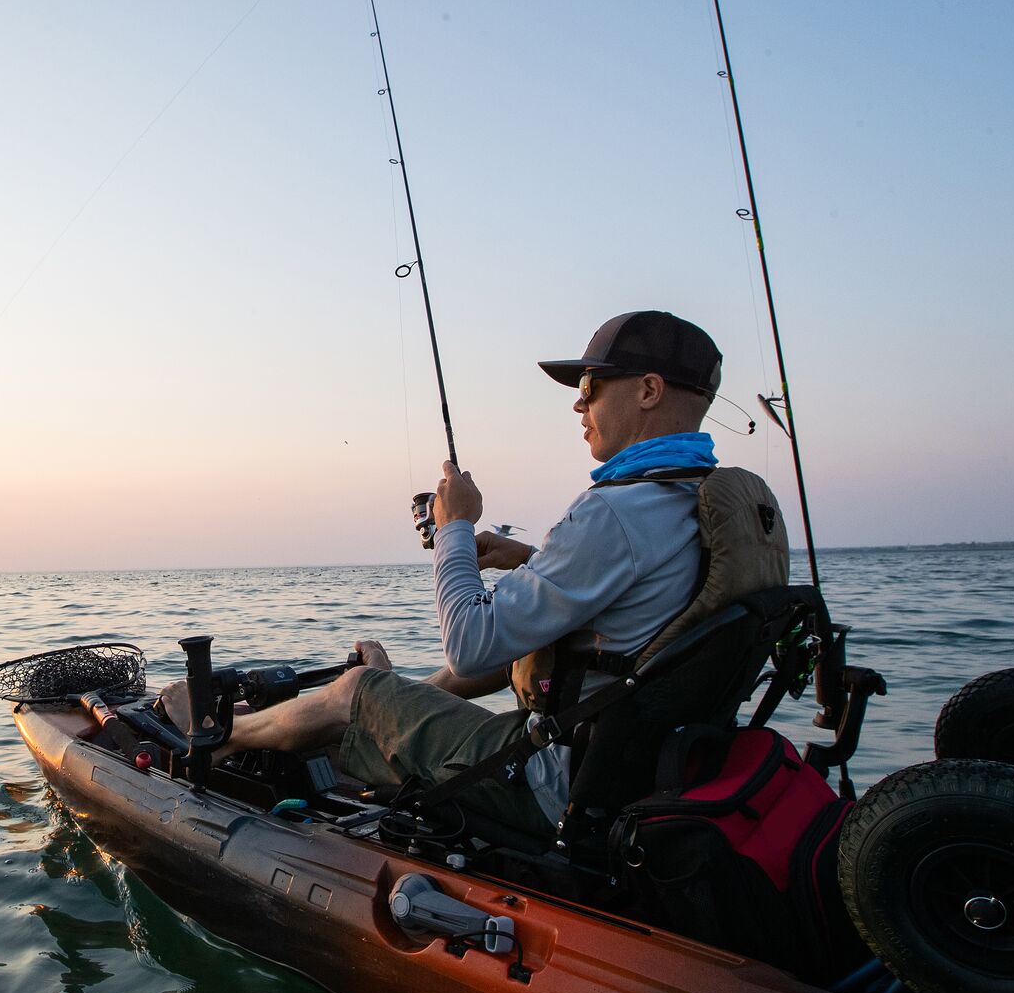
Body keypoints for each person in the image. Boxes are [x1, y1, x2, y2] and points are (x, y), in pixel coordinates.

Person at [161, 310, 727, 836]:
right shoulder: (699, 501)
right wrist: (527, 558)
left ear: (649, 390)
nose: (580, 407)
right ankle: (389, 702)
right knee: (514, 653)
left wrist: (454, 528)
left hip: (559, 781)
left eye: (590, 388)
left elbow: (469, 648)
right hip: (648, 761)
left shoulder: (615, 510)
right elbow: (647, 602)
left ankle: (221, 738)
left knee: (359, 687)